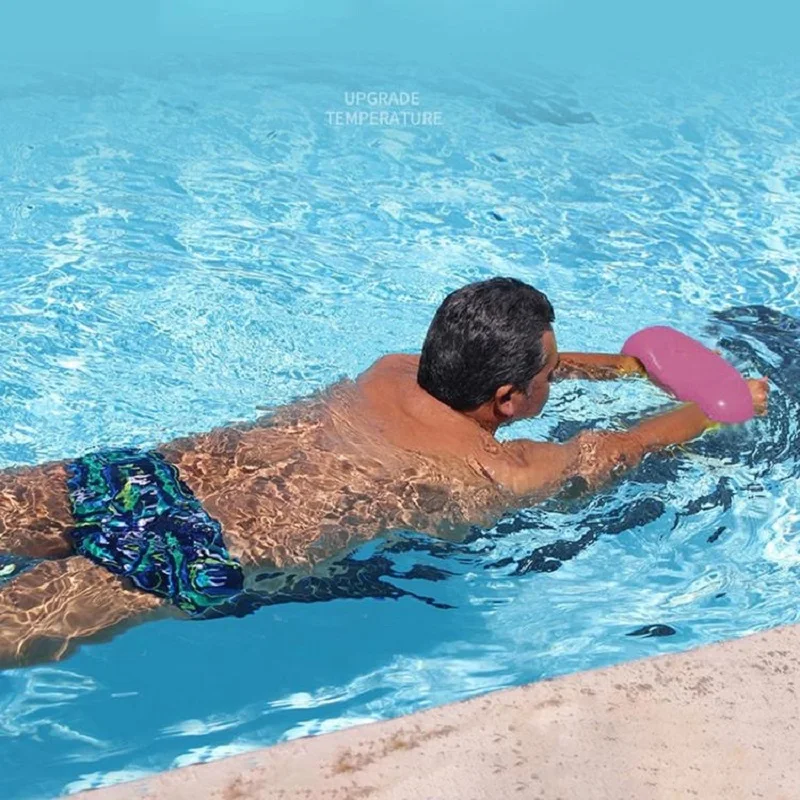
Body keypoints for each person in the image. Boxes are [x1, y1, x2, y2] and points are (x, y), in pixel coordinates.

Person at [0, 277, 768, 666]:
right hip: (197, 556)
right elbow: (622, 450)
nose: (557, 377)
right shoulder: (505, 471)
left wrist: (634, 367)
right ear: (508, 399)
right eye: (551, 372)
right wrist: (717, 405)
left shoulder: (393, 369)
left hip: (144, 478)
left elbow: (515, 372)